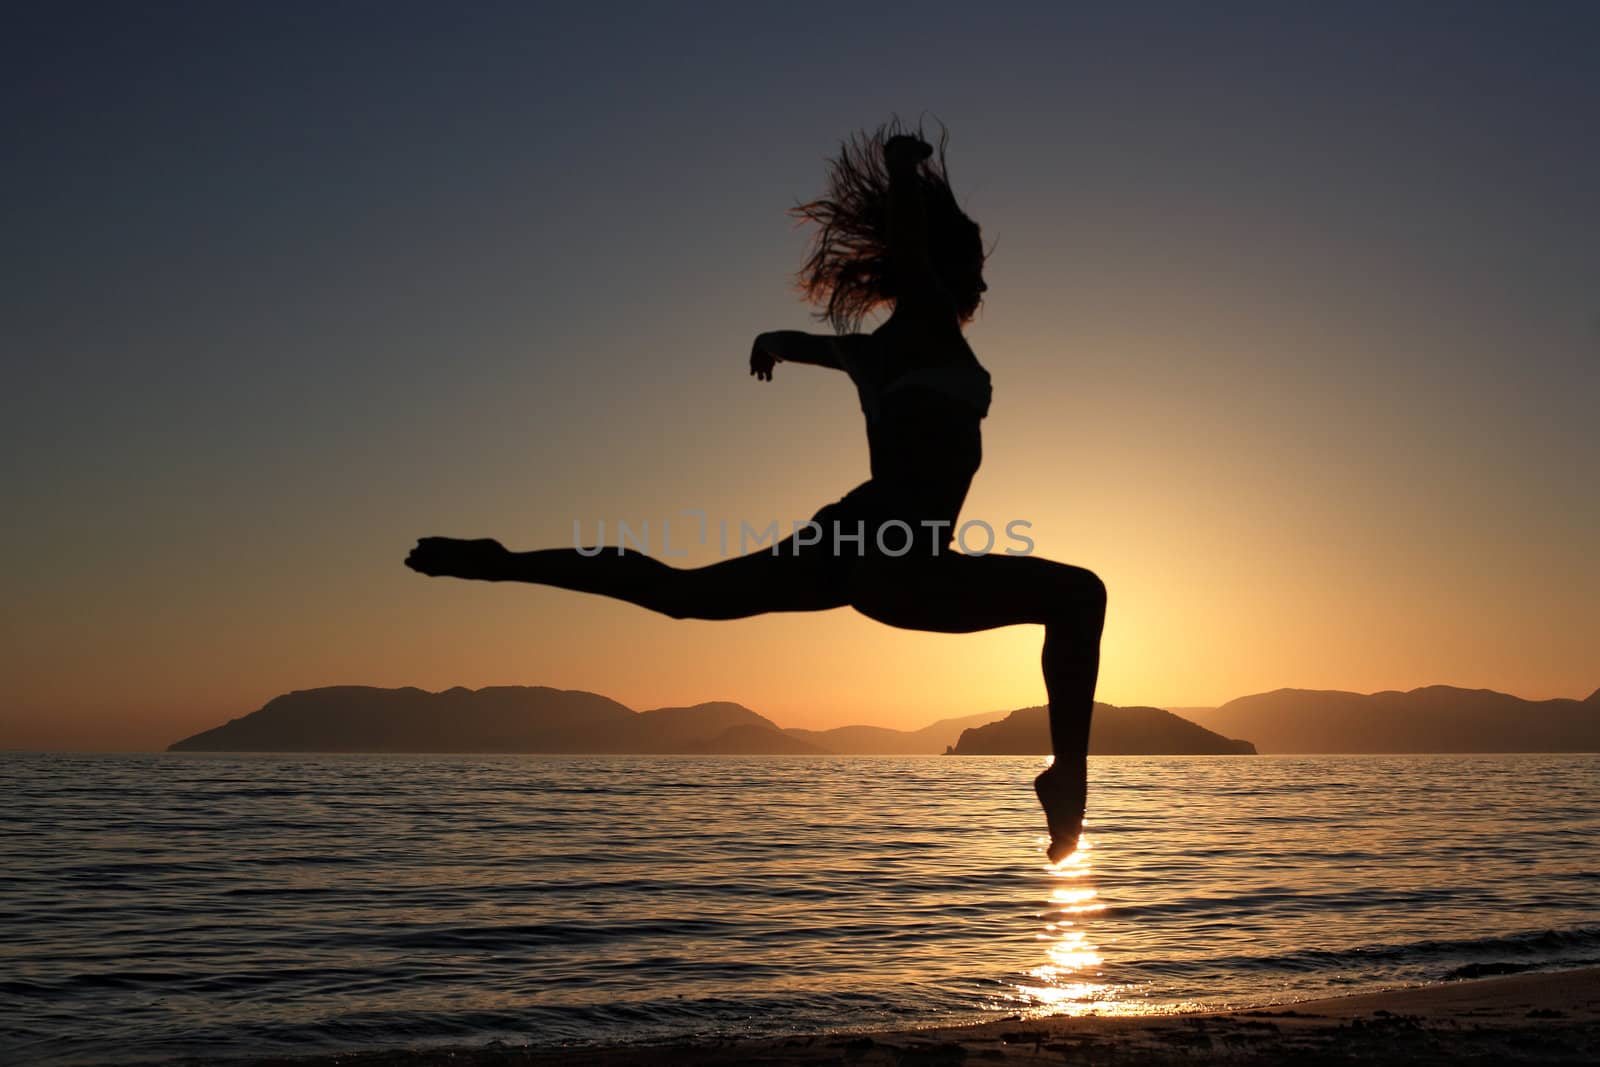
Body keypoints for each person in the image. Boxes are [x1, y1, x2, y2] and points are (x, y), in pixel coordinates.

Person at [405, 122, 1106, 863]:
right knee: (1079, 594)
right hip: (904, 558)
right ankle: (1069, 775)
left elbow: (797, 342)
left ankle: (502, 561)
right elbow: (903, 254)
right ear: (942, 266)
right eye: (975, 266)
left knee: (681, 593)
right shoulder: (930, 319)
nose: (984, 283)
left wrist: (771, 344)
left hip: (851, 540)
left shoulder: (867, 353)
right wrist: (903, 173)